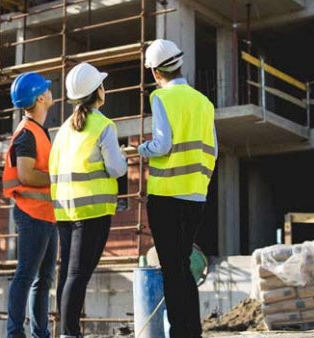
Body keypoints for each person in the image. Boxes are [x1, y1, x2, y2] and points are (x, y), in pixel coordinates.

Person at [138, 39, 217, 338]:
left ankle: (180, 334)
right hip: (196, 196)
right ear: (179, 65)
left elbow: (162, 144)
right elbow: (213, 150)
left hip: (167, 196)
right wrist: (201, 182)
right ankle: (191, 332)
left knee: (172, 270)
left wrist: (142, 149)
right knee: (183, 267)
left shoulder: (161, 98)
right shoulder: (204, 102)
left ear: (156, 73)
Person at [49, 62, 127, 338]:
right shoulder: (103, 125)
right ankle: (70, 333)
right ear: (98, 92)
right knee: (78, 274)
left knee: (70, 274)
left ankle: (68, 330)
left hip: (65, 211)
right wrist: (125, 158)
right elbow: (117, 168)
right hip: (92, 210)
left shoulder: (62, 130)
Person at [3, 72, 58, 338]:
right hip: (32, 214)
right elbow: (26, 175)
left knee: (43, 279)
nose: (50, 92)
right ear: (39, 97)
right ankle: (15, 333)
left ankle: (40, 333)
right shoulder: (27, 134)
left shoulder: (38, 131)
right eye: (46, 89)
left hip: (45, 214)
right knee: (26, 275)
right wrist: (59, 179)